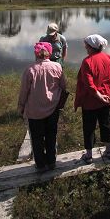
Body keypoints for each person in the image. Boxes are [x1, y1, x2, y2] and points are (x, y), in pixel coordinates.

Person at [17, 42, 68, 172]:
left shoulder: (30, 70)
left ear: (36, 53)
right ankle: (51, 162)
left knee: (37, 138)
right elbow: (64, 86)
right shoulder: (57, 67)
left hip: (34, 111)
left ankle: (40, 165)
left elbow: (24, 92)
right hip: (53, 109)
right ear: (49, 53)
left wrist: (21, 106)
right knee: (51, 135)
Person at [74, 34, 110, 164]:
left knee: (89, 127)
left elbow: (89, 85)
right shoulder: (109, 58)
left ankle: (89, 155)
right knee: (106, 124)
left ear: (90, 47)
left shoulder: (87, 61)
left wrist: (99, 96)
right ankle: (109, 151)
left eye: (86, 45)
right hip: (106, 100)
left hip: (90, 102)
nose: (85, 47)